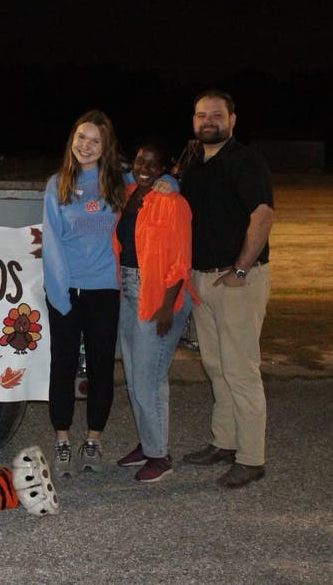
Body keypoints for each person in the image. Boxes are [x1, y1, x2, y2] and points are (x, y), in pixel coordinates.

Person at [179, 90, 274, 489]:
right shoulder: (195, 164)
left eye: (216, 115)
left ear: (233, 120)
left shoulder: (245, 161)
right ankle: (225, 441)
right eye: (201, 115)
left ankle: (251, 458)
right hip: (203, 279)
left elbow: (263, 216)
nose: (208, 121)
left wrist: (241, 269)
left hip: (238, 281)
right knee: (216, 366)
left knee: (240, 369)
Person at [42, 110, 128, 476]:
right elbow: (51, 241)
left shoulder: (121, 181)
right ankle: (62, 438)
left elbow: (156, 178)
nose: (86, 146)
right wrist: (59, 294)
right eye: (81, 137)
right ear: (72, 140)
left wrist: (168, 182)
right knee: (62, 366)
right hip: (66, 291)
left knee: (100, 367)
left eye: (95, 141)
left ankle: (93, 439)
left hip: (105, 290)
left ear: (106, 146)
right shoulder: (58, 184)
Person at [114, 142, 198, 482]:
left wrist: (167, 307)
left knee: (150, 378)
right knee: (135, 375)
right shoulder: (129, 195)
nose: (145, 168)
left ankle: (160, 456)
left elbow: (181, 261)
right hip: (129, 292)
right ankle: (148, 443)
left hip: (159, 296)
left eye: (153, 164)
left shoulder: (173, 203)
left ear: (164, 169)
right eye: (140, 162)